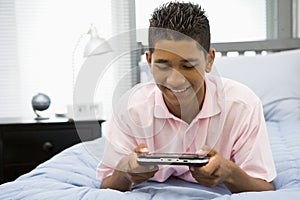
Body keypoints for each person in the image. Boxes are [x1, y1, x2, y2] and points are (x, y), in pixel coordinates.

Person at [97, 1, 276, 193]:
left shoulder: (243, 106)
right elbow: (106, 185)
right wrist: (125, 173)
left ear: (209, 61)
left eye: (188, 66)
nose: (175, 80)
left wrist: (229, 172)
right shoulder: (130, 108)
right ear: (149, 61)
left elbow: (264, 187)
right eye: (163, 65)